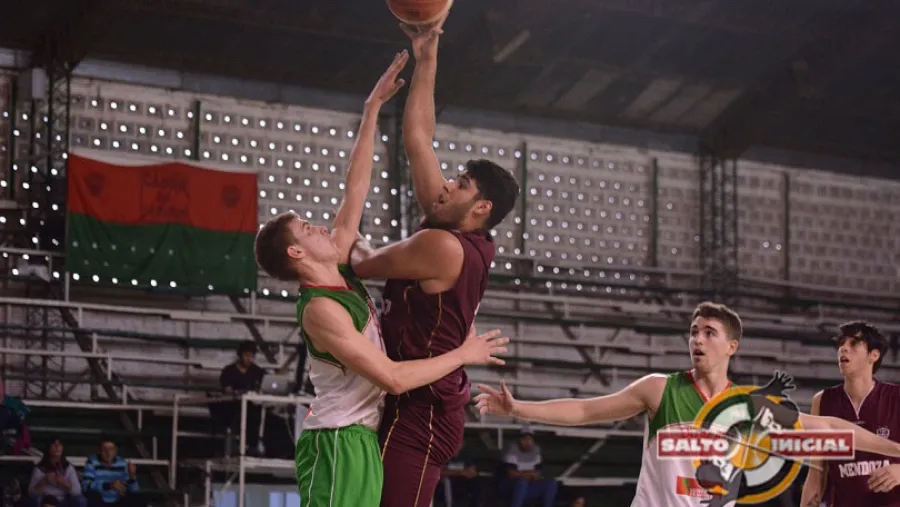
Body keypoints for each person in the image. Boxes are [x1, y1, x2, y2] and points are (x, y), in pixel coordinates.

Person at [253, 51, 508, 507]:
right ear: (296, 252)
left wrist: (371, 109)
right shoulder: (321, 307)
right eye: (307, 228)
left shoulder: (339, 269)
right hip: (338, 437)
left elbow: (355, 188)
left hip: (367, 429)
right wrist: (463, 353)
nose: (321, 227)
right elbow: (391, 377)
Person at [475, 302, 900, 507]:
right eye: (694, 331)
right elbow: (586, 410)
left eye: (709, 332)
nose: (697, 339)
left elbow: (831, 429)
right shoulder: (659, 389)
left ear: (732, 346)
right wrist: (519, 409)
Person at [348, 16, 520, 507]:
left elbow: (361, 262)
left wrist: (341, 231)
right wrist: (428, 56)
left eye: (459, 184)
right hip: (411, 394)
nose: (446, 185)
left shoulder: (444, 247)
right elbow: (418, 140)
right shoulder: (453, 225)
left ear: (481, 207)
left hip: (423, 408)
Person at [800, 321, 900, 507]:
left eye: (854, 344)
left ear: (874, 355)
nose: (843, 349)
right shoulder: (822, 401)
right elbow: (817, 473)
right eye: (841, 344)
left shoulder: (896, 397)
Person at [215, 341, 266, 455]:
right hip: (233, 408)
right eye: (246, 355)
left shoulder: (258, 371)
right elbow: (227, 390)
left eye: (252, 356)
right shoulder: (228, 371)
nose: (249, 359)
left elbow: (264, 386)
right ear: (240, 355)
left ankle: (253, 447)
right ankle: (235, 448)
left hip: (252, 408)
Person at [498, 428, 558, 507]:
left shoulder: (536, 450)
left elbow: (537, 475)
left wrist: (523, 474)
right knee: (522, 483)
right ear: (519, 440)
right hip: (509, 487)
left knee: (551, 483)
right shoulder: (511, 449)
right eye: (524, 439)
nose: (527, 442)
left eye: (530, 439)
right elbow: (512, 474)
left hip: (528, 486)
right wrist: (529, 474)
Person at [82, 438, 144, 507]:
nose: (108, 453)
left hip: (118, 501)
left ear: (116, 451)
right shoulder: (92, 462)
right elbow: (86, 486)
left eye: (111, 449)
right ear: (99, 451)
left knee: (137, 498)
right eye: (104, 450)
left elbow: (134, 490)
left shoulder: (122, 463)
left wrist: (132, 476)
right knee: (92, 496)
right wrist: (109, 485)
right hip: (99, 501)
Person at [26, 438, 86, 507]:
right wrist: (44, 480)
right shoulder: (40, 468)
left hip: (64, 501)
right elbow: (31, 493)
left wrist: (63, 483)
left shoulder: (68, 467)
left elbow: (77, 491)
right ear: (49, 448)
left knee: (80, 500)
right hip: (46, 501)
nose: (57, 447)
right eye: (54, 444)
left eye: (59, 444)